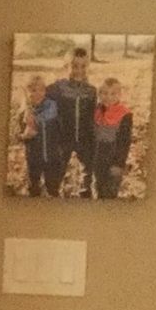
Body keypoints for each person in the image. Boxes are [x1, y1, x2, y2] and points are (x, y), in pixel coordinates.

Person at [45, 47, 98, 197]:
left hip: (85, 139)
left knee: (87, 176)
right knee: (55, 176)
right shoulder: (57, 88)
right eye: (74, 66)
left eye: (83, 66)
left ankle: (85, 197)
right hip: (63, 139)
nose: (79, 70)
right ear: (66, 66)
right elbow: (35, 95)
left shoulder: (91, 91)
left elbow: (93, 115)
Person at [15, 74, 62, 196]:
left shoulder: (51, 105)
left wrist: (34, 120)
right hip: (34, 157)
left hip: (52, 156)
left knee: (52, 187)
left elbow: (50, 115)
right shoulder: (24, 113)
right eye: (33, 90)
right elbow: (19, 134)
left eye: (41, 90)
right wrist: (24, 135)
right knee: (33, 185)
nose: (37, 94)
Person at [93, 77, 134, 200]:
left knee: (110, 192)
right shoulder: (97, 110)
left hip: (114, 158)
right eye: (105, 93)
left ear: (120, 95)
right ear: (99, 94)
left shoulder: (124, 114)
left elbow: (124, 142)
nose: (108, 97)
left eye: (113, 94)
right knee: (100, 189)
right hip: (99, 158)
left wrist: (118, 164)